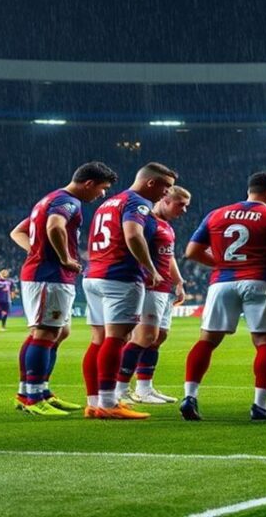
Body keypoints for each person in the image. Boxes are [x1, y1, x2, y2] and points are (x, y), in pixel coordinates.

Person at [180, 171, 266, 421]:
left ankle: (189, 397)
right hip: (260, 281)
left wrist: (222, 265)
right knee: (265, 343)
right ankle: (260, 406)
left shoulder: (216, 214)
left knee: (207, 341)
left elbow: (191, 251)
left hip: (222, 282)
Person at [10, 161, 118, 416]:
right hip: (49, 275)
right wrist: (64, 258)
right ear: (88, 183)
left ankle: (37, 390)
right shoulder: (68, 201)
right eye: (102, 188)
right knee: (45, 334)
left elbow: (18, 232)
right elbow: (55, 227)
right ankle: (32, 398)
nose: (102, 194)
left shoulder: (49, 199)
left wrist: (39, 252)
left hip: (48, 273)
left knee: (58, 332)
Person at [82, 162, 177, 420]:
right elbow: (133, 235)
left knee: (98, 340)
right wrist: (151, 269)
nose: (166, 194)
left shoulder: (109, 202)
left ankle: (94, 402)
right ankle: (110, 403)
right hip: (120, 277)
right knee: (116, 339)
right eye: (166, 187)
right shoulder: (138, 203)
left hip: (94, 275)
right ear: (150, 183)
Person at [115, 185, 191, 405]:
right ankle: (119, 389)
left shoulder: (166, 226)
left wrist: (178, 282)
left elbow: (170, 257)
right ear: (165, 199)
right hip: (148, 285)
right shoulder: (145, 221)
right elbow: (133, 246)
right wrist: (149, 273)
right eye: (181, 205)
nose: (183, 211)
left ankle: (144, 389)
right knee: (144, 337)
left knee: (158, 337)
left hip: (164, 287)